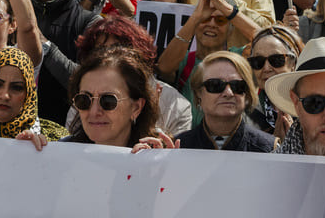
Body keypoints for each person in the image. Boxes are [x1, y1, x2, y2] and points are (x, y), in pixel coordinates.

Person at [19, 46, 166, 150]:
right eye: (84, 100)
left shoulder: (158, 156)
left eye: (108, 101)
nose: (94, 111)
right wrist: (28, 158)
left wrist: (165, 175)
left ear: (136, 107)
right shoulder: (61, 153)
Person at [176, 51, 273, 152]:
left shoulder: (270, 149)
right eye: (215, 85)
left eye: (237, 86)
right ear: (198, 93)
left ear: (247, 94)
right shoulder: (177, 147)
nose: (228, 93)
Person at [245, 25, 304, 139]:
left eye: (276, 60)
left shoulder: (312, 106)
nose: (266, 68)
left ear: (293, 63)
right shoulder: (243, 113)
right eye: (258, 61)